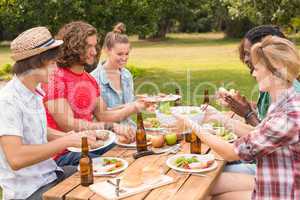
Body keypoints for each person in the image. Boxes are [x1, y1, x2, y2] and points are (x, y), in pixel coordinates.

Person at [174, 36, 300, 199]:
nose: (253, 74)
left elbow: (231, 152)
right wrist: (218, 116)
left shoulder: (289, 115)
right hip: (269, 185)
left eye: (257, 68)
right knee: (208, 189)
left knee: (205, 191)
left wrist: (192, 125)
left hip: (283, 193)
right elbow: (258, 132)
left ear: (275, 71)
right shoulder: (284, 101)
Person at [0, 27, 97, 199]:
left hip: (50, 175)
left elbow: (41, 131)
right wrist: (65, 141)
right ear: (36, 63)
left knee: (99, 175)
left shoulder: (34, 92)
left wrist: (77, 137)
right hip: (29, 191)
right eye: (52, 63)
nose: (56, 69)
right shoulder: (8, 101)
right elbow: (16, 158)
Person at [42, 21, 152, 166]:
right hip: (64, 154)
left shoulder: (89, 80)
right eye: (88, 46)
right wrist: (110, 127)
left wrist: (133, 109)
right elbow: (67, 124)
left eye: (95, 46)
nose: (94, 52)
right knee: (114, 164)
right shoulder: (56, 78)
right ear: (73, 47)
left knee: (133, 154)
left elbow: (104, 114)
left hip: (91, 145)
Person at [219, 25, 300, 126]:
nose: (245, 59)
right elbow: (264, 118)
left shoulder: (291, 93)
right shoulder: (271, 85)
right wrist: (239, 105)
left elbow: (268, 137)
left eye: (249, 54)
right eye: (245, 54)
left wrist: (247, 113)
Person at [91, 23, 136, 126]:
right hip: (108, 135)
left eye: (127, 54)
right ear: (107, 50)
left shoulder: (126, 75)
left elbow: (129, 105)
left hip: (129, 130)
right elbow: (100, 116)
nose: (124, 58)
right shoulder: (94, 79)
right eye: (119, 54)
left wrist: (145, 101)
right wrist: (135, 106)